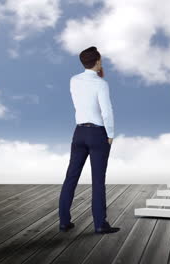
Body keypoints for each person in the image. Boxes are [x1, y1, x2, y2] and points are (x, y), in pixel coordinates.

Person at [59, 46, 120, 234]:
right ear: (98, 61)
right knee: (98, 180)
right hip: (97, 133)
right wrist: (110, 135)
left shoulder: (74, 80)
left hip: (78, 132)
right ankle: (100, 224)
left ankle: (64, 221)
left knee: (71, 177)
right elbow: (106, 111)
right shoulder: (101, 84)